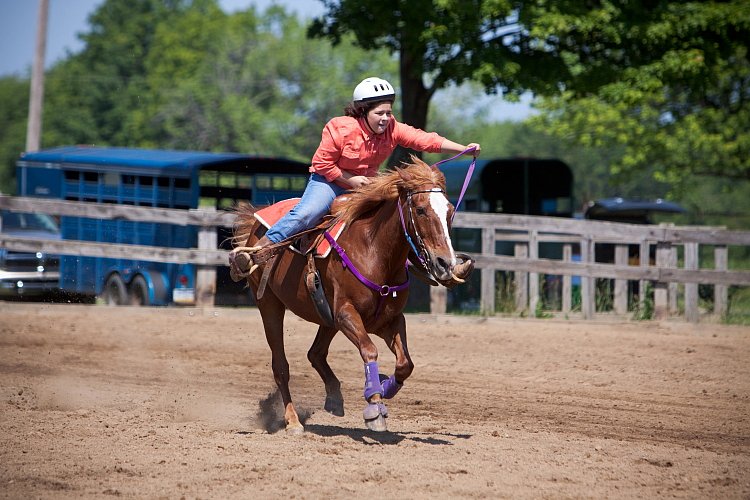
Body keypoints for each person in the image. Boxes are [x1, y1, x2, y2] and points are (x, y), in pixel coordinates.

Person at [230, 76, 480, 280]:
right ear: (363, 111)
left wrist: (462, 149)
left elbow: (424, 139)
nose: (385, 118)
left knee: (396, 218)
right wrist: (350, 181)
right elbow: (321, 163)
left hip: (365, 186)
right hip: (327, 182)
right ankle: (258, 250)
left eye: (388, 113)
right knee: (307, 213)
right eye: (379, 113)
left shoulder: (393, 128)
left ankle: (441, 268)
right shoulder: (339, 128)